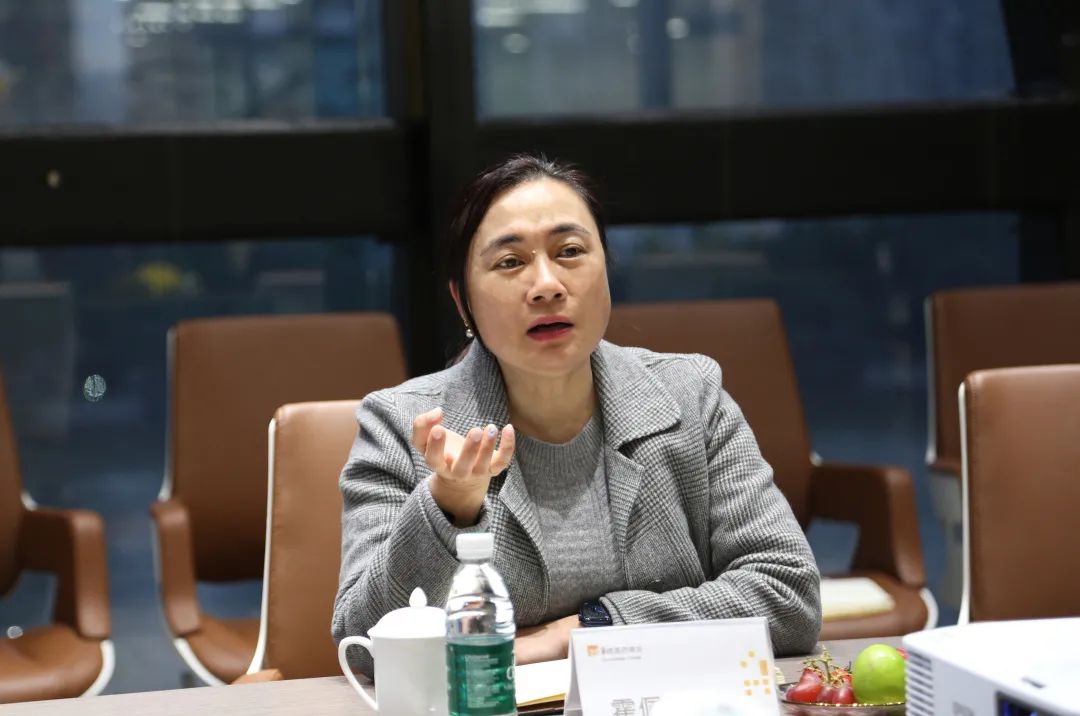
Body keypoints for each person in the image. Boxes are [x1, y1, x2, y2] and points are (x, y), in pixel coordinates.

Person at [332, 155, 821, 671]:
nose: (546, 285)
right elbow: (363, 644)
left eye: (569, 252)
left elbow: (787, 594)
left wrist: (591, 629)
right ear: (463, 302)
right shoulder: (399, 424)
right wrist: (449, 505)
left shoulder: (690, 394)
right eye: (510, 262)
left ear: (605, 270)